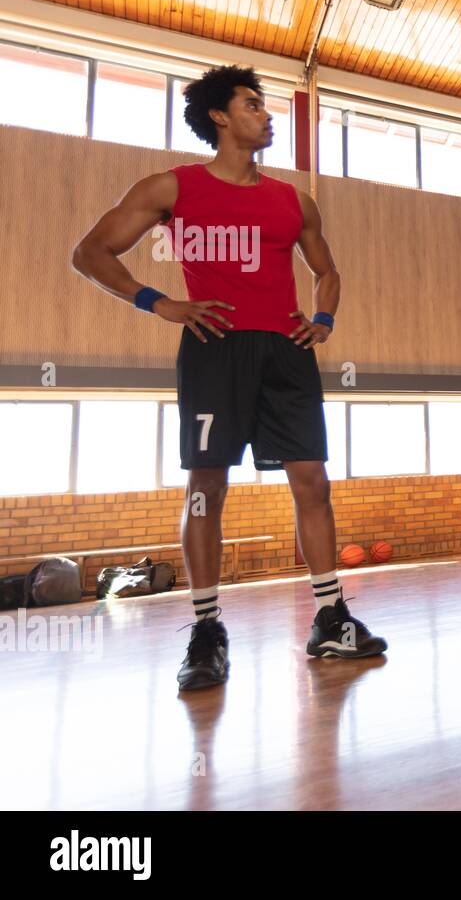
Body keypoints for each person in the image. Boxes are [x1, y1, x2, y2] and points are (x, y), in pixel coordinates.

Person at [71, 65, 386, 692]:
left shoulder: (294, 200)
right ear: (220, 117)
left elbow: (327, 271)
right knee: (206, 486)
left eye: (265, 105)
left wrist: (322, 318)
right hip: (215, 350)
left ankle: (330, 618)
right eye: (253, 105)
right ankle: (207, 631)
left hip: (286, 353)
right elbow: (91, 253)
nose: (268, 116)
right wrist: (158, 302)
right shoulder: (171, 187)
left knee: (313, 482)